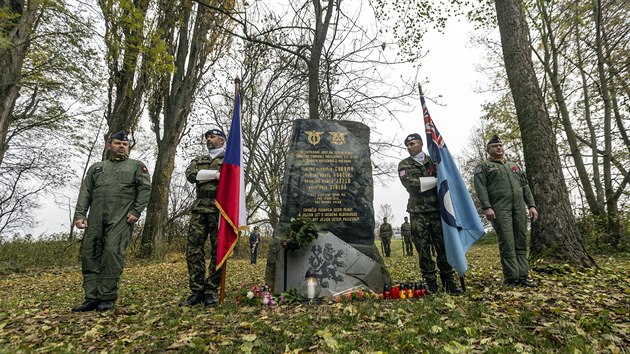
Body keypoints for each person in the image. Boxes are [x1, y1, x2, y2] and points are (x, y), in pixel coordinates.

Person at [71, 131, 151, 312]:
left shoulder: (136, 166)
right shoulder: (97, 168)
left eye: (124, 144)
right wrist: (80, 215)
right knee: (90, 254)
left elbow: (145, 190)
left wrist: (136, 211)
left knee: (112, 252)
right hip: (96, 218)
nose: (121, 146)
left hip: (121, 218)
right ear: (109, 146)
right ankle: (91, 298)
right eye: (117, 143)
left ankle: (107, 297)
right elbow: (86, 192)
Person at [398, 133, 462, 294]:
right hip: (418, 212)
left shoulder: (434, 161)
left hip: (438, 210)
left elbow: (447, 179)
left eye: (412, 143)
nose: (409, 147)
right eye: (408, 145)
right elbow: (411, 185)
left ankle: (449, 282)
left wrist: (439, 178)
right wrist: (437, 180)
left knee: (443, 247)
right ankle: (431, 283)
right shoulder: (404, 164)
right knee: (423, 249)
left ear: (420, 143)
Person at [473, 135, 539, 288]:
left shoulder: (514, 165)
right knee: (507, 242)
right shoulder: (484, 166)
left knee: (521, 241)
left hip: (519, 208)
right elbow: (480, 188)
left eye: (500, 145)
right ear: (488, 150)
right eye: (494, 146)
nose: (498, 148)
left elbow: (525, 186)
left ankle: (523, 276)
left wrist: (531, 205)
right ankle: (511, 278)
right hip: (500, 209)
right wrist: (487, 207)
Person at [179, 128, 226, 308]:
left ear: (222, 140)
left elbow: (231, 180)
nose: (208, 139)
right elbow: (191, 175)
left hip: (220, 209)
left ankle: (211, 290)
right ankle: (197, 290)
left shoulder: (229, 160)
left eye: (212, 137)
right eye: (207, 137)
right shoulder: (199, 160)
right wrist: (215, 175)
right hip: (200, 208)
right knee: (193, 249)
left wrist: (203, 176)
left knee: (218, 250)